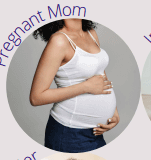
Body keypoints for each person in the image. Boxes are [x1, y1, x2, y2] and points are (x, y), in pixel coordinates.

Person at [30, 19, 119, 152]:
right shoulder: (59, 41)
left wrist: (114, 113)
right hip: (69, 133)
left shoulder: (91, 33)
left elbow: (100, 74)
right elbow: (36, 97)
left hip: (95, 132)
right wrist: (85, 87)